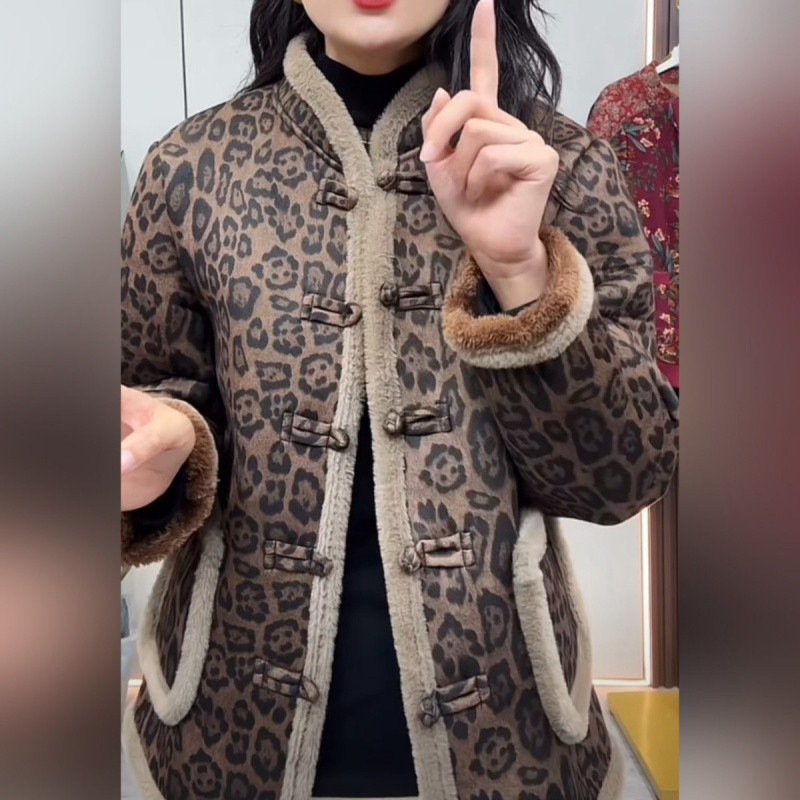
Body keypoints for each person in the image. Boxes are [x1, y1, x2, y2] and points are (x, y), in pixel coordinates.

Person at [120, 0, 679, 798]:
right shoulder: (190, 168)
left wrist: (519, 271)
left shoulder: (559, 166)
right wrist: (164, 451)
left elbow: (621, 478)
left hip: (509, 738)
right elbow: (156, 397)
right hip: (227, 732)